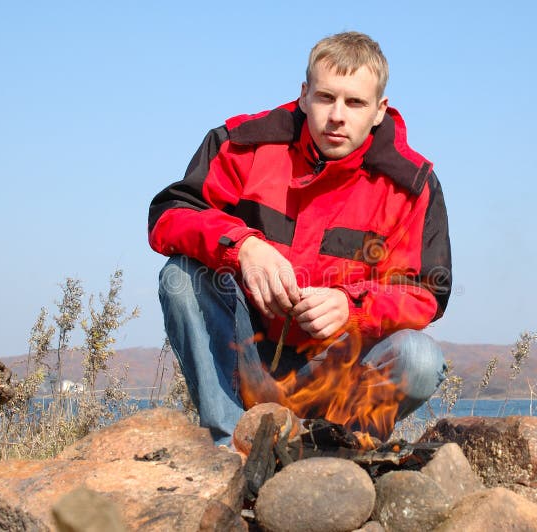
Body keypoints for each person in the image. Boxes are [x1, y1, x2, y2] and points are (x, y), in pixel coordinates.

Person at [148, 31, 452, 446]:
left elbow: (425, 291)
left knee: (419, 358)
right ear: (305, 94)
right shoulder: (241, 143)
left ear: (380, 110)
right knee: (179, 278)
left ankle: (342, 455)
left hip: (336, 368)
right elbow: (170, 216)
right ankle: (231, 448)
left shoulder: (412, 184)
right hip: (246, 358)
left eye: (356, 102)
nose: (338, 115)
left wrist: (352, 306)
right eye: (326, 97)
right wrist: (243, 246)